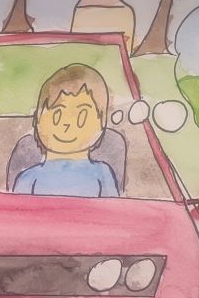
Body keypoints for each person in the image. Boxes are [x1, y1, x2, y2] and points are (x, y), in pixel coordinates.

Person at [12, 64, 120, 198]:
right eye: (57, 114)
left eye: (81, 116)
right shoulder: (28, 178)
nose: (67, 124)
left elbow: (114, 209)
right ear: (37, 119)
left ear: (101, 125)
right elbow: (15, 210)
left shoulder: (102, 174)